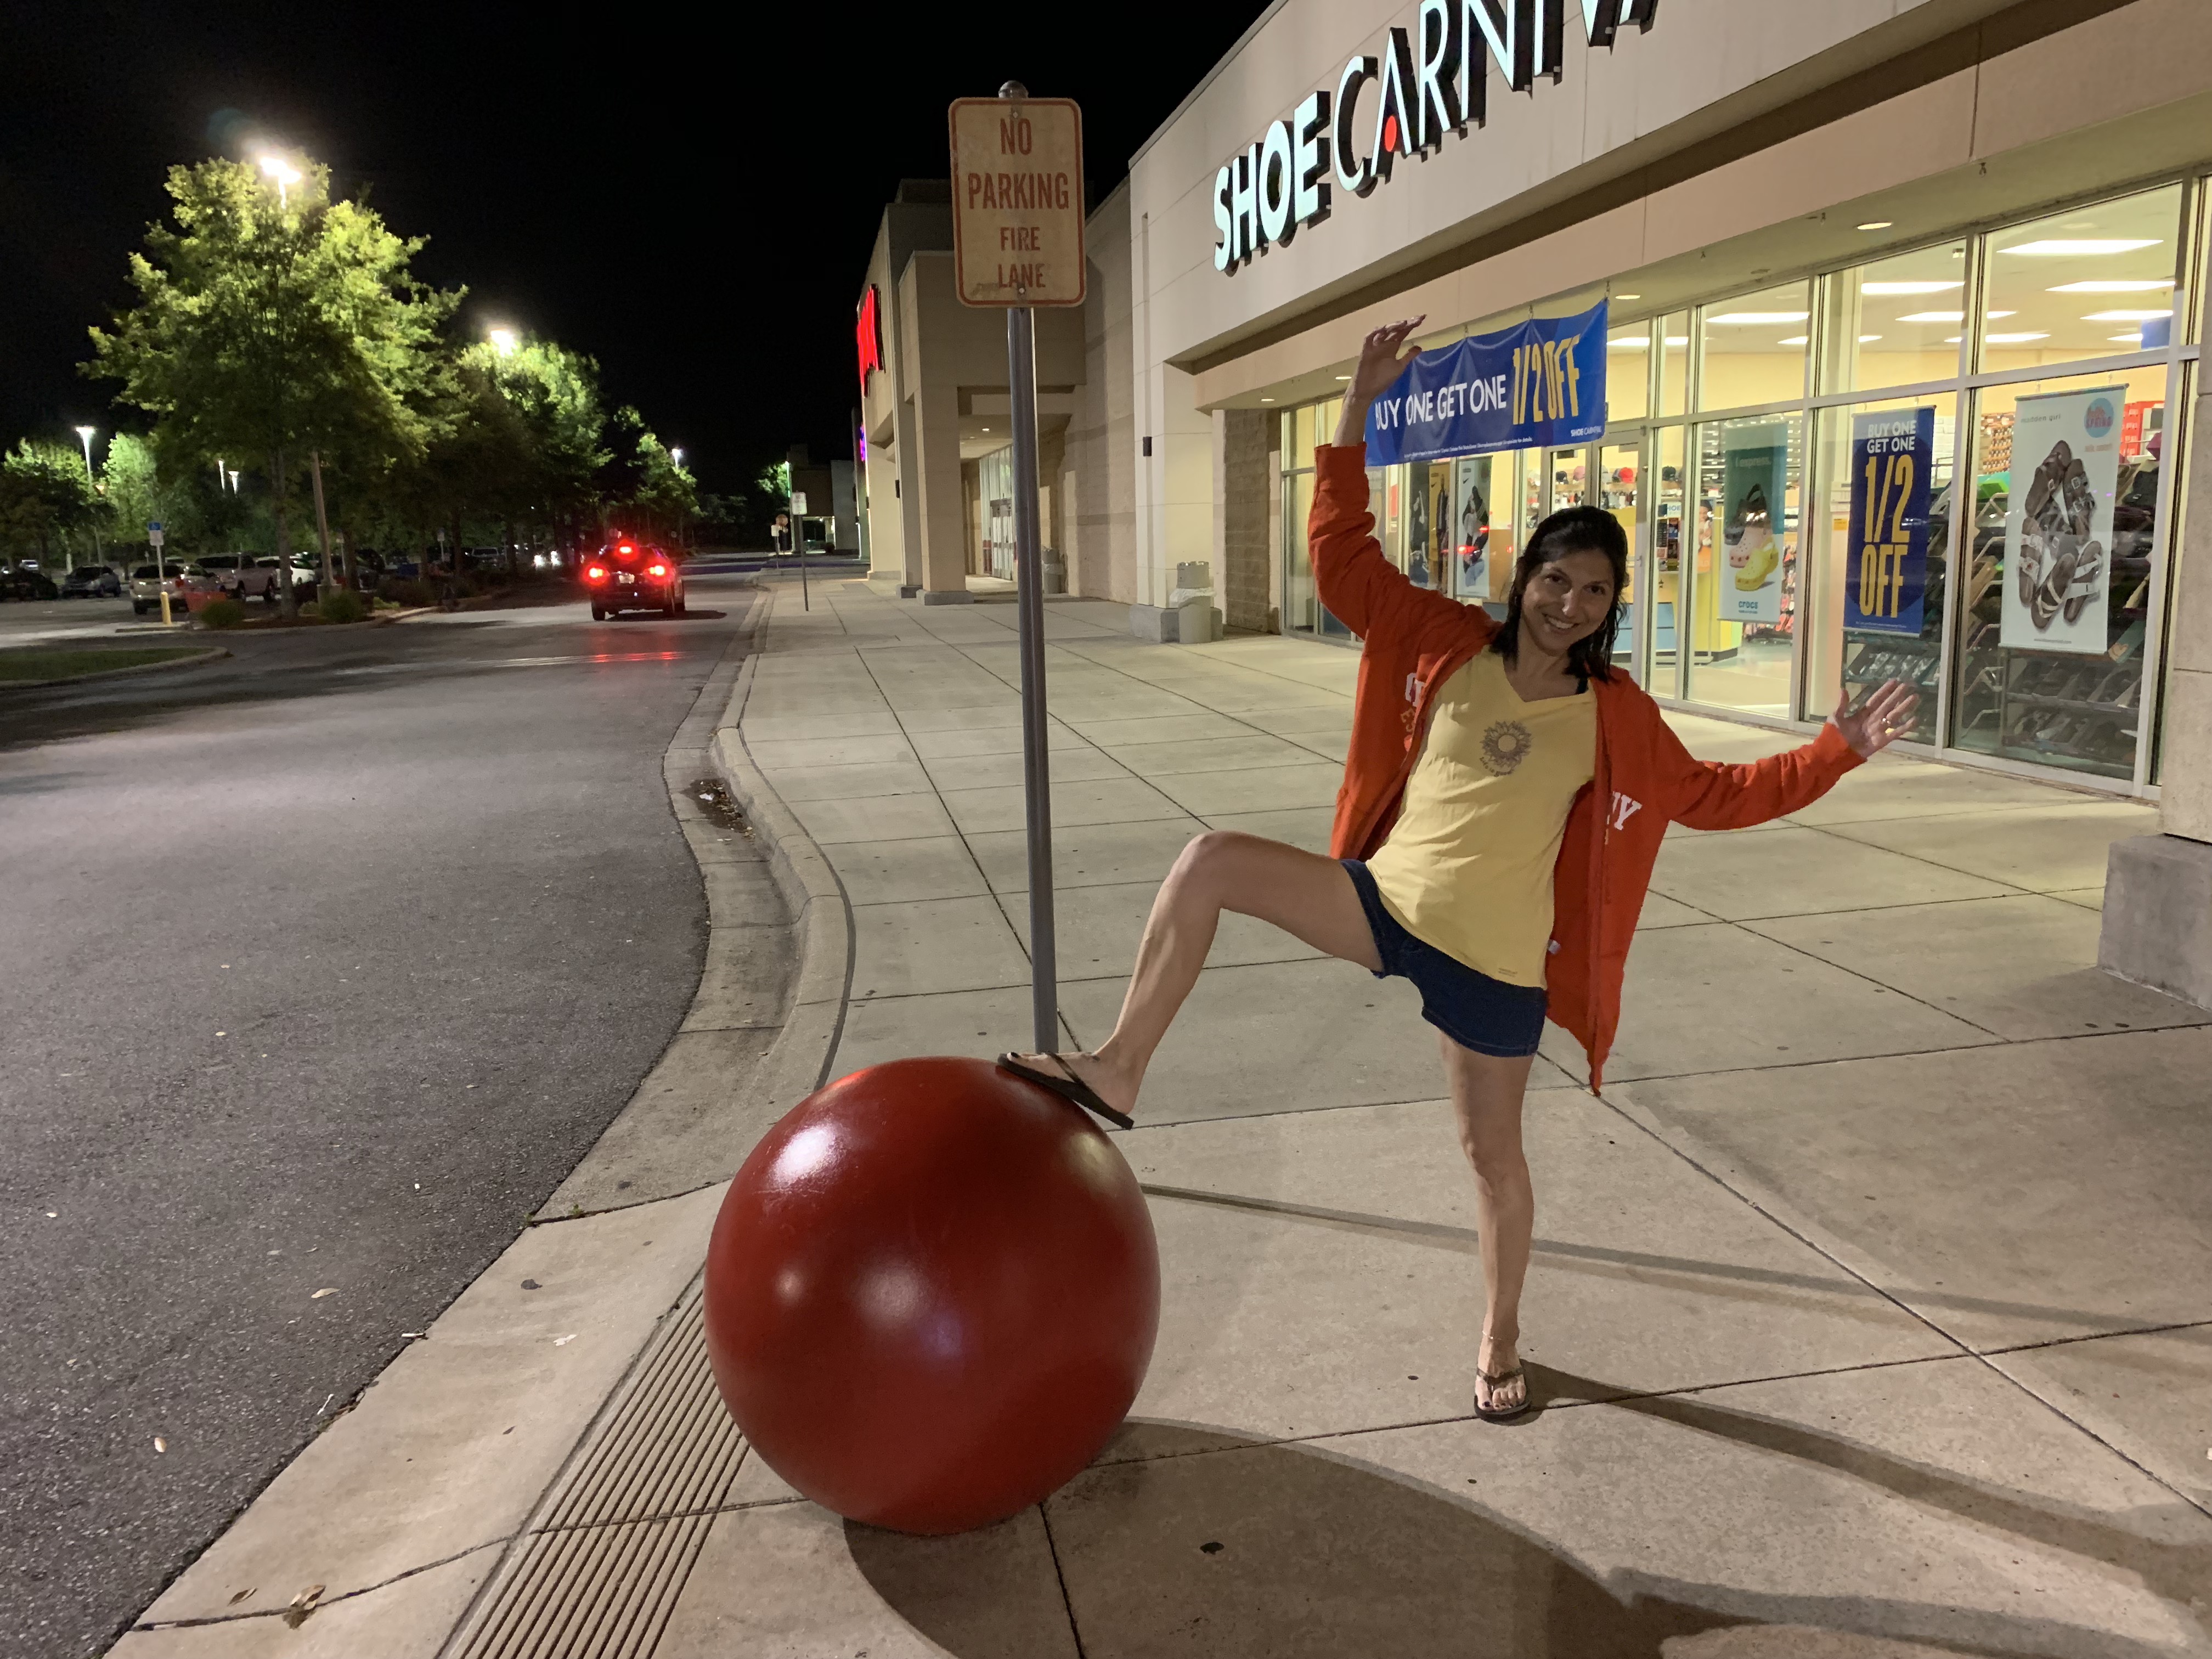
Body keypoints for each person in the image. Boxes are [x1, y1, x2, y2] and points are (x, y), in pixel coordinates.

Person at [1002, 318, 1920, 1421]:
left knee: (1492, 1160)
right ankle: (1118, 1069)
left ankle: (1501, 1335)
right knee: (1209, 861)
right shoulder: (1444, 639)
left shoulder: (1615, 714)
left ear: (1613, 606)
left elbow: (1718, 794)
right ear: (1524, 575)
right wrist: (1357, 405)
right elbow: (1343, 558)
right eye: (1556, 579)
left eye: (1595, 592)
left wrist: (1834, 752)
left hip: (1494, 963)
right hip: (1385, 904)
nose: (1569, 604)